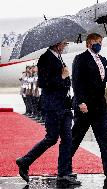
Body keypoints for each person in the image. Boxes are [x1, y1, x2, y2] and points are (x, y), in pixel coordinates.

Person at [16, 40, 81, 186]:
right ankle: (25, 161)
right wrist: (62, 77)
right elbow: (44, 83)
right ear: (57, 44)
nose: (65, 47)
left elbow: (66, 83)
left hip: (63, 106)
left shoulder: (58, 57)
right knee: (51, 138)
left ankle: (64, 173)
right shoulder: (45, 58)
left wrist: (66, 80)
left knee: (67, 139)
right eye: (64, 44)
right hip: (52, 106)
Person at [71, 33, 107, 178]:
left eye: (101, 42)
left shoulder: (102, 59)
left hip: (99, 106)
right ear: (89, 43)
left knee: (104, 139)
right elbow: (76, 82)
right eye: (96, 42)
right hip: (85, 106)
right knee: (75, 138)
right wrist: (80, 102)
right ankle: (64, 167)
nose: (99, 44)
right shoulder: (81, 59)